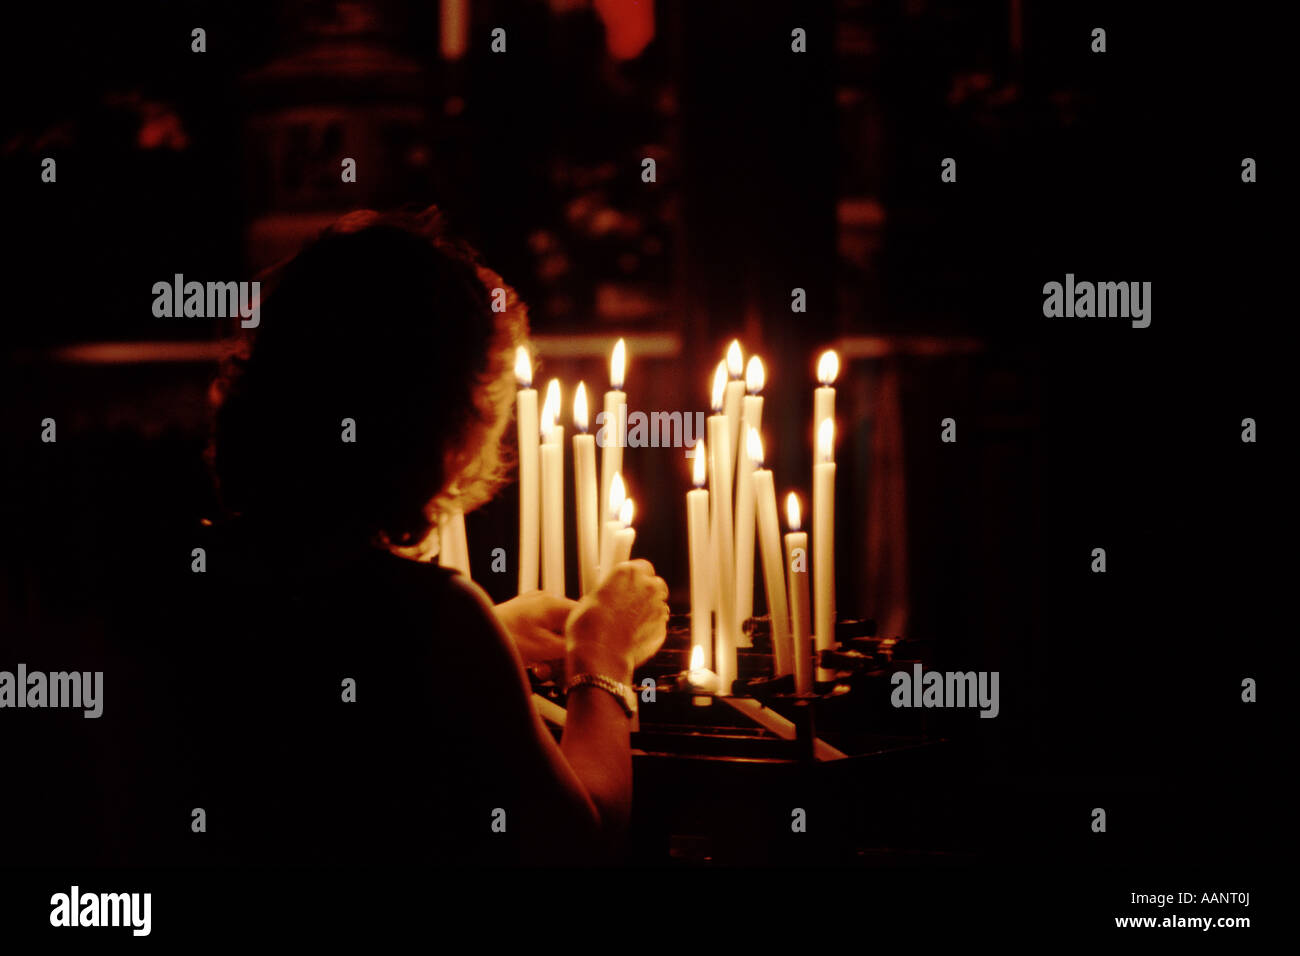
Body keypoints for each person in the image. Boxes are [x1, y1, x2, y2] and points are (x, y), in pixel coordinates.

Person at [197, 207, 668, 865]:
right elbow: (577, 838)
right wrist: (603, 663)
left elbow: (351, 681)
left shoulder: (203, 572)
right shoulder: (434, 613)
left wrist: (495, 639)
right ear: (449, 426)